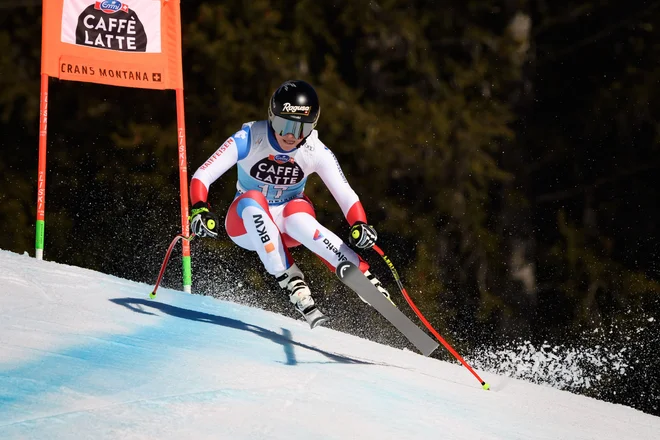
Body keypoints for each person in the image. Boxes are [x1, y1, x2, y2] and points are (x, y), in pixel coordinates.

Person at [188, 79, 391, 328]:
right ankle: (291, 280)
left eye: (301, 129)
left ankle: (362, 278)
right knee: (252, 199)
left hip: (287, 224)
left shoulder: (314, 150)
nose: (291, 136)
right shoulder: (251, 137)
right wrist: (199, 208)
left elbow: (346, 194)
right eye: (284, 125)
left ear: (312, 127)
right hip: (246, 225)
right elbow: (203, 175)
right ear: (272, 117)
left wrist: (359, 223)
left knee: (297, 213)